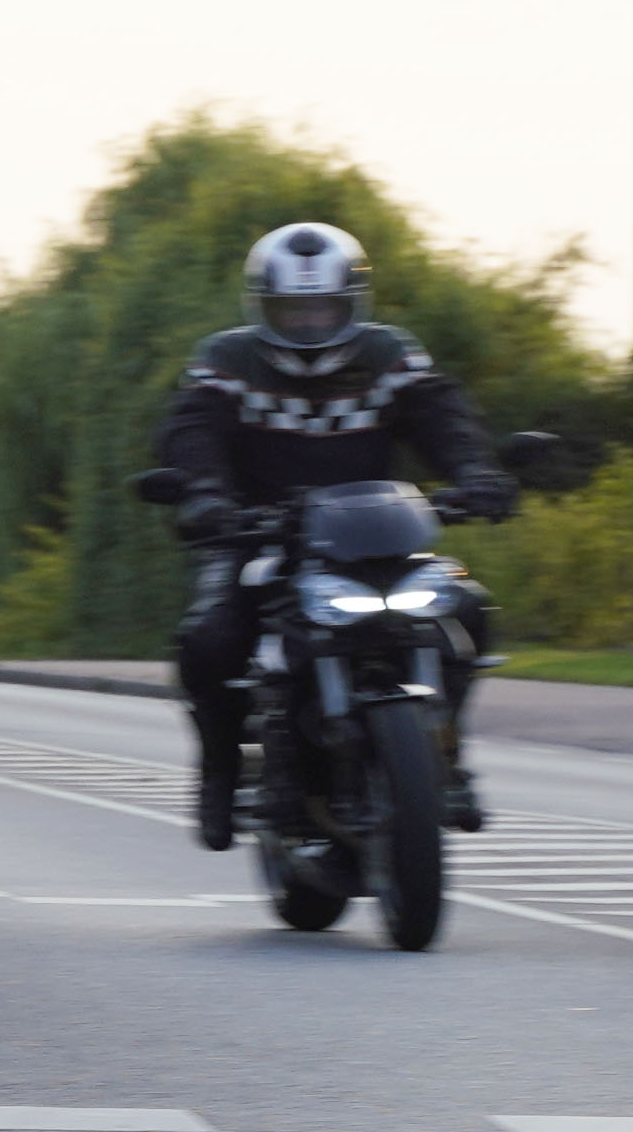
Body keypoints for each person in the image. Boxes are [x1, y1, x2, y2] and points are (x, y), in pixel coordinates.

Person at [157, 221, 516, 851]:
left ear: (351, 302)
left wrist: (476, 476)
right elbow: (194, 431)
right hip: (259, 536)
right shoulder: (226, 361)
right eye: (293, 310)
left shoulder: (390, 354)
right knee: (210, 638)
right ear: (262, 306)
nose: (309, 323)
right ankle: (219, 769)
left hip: (376, 536)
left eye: (323, 307)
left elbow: (442, 415)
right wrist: (205, 495)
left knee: (469, 609)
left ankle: (447, 753)